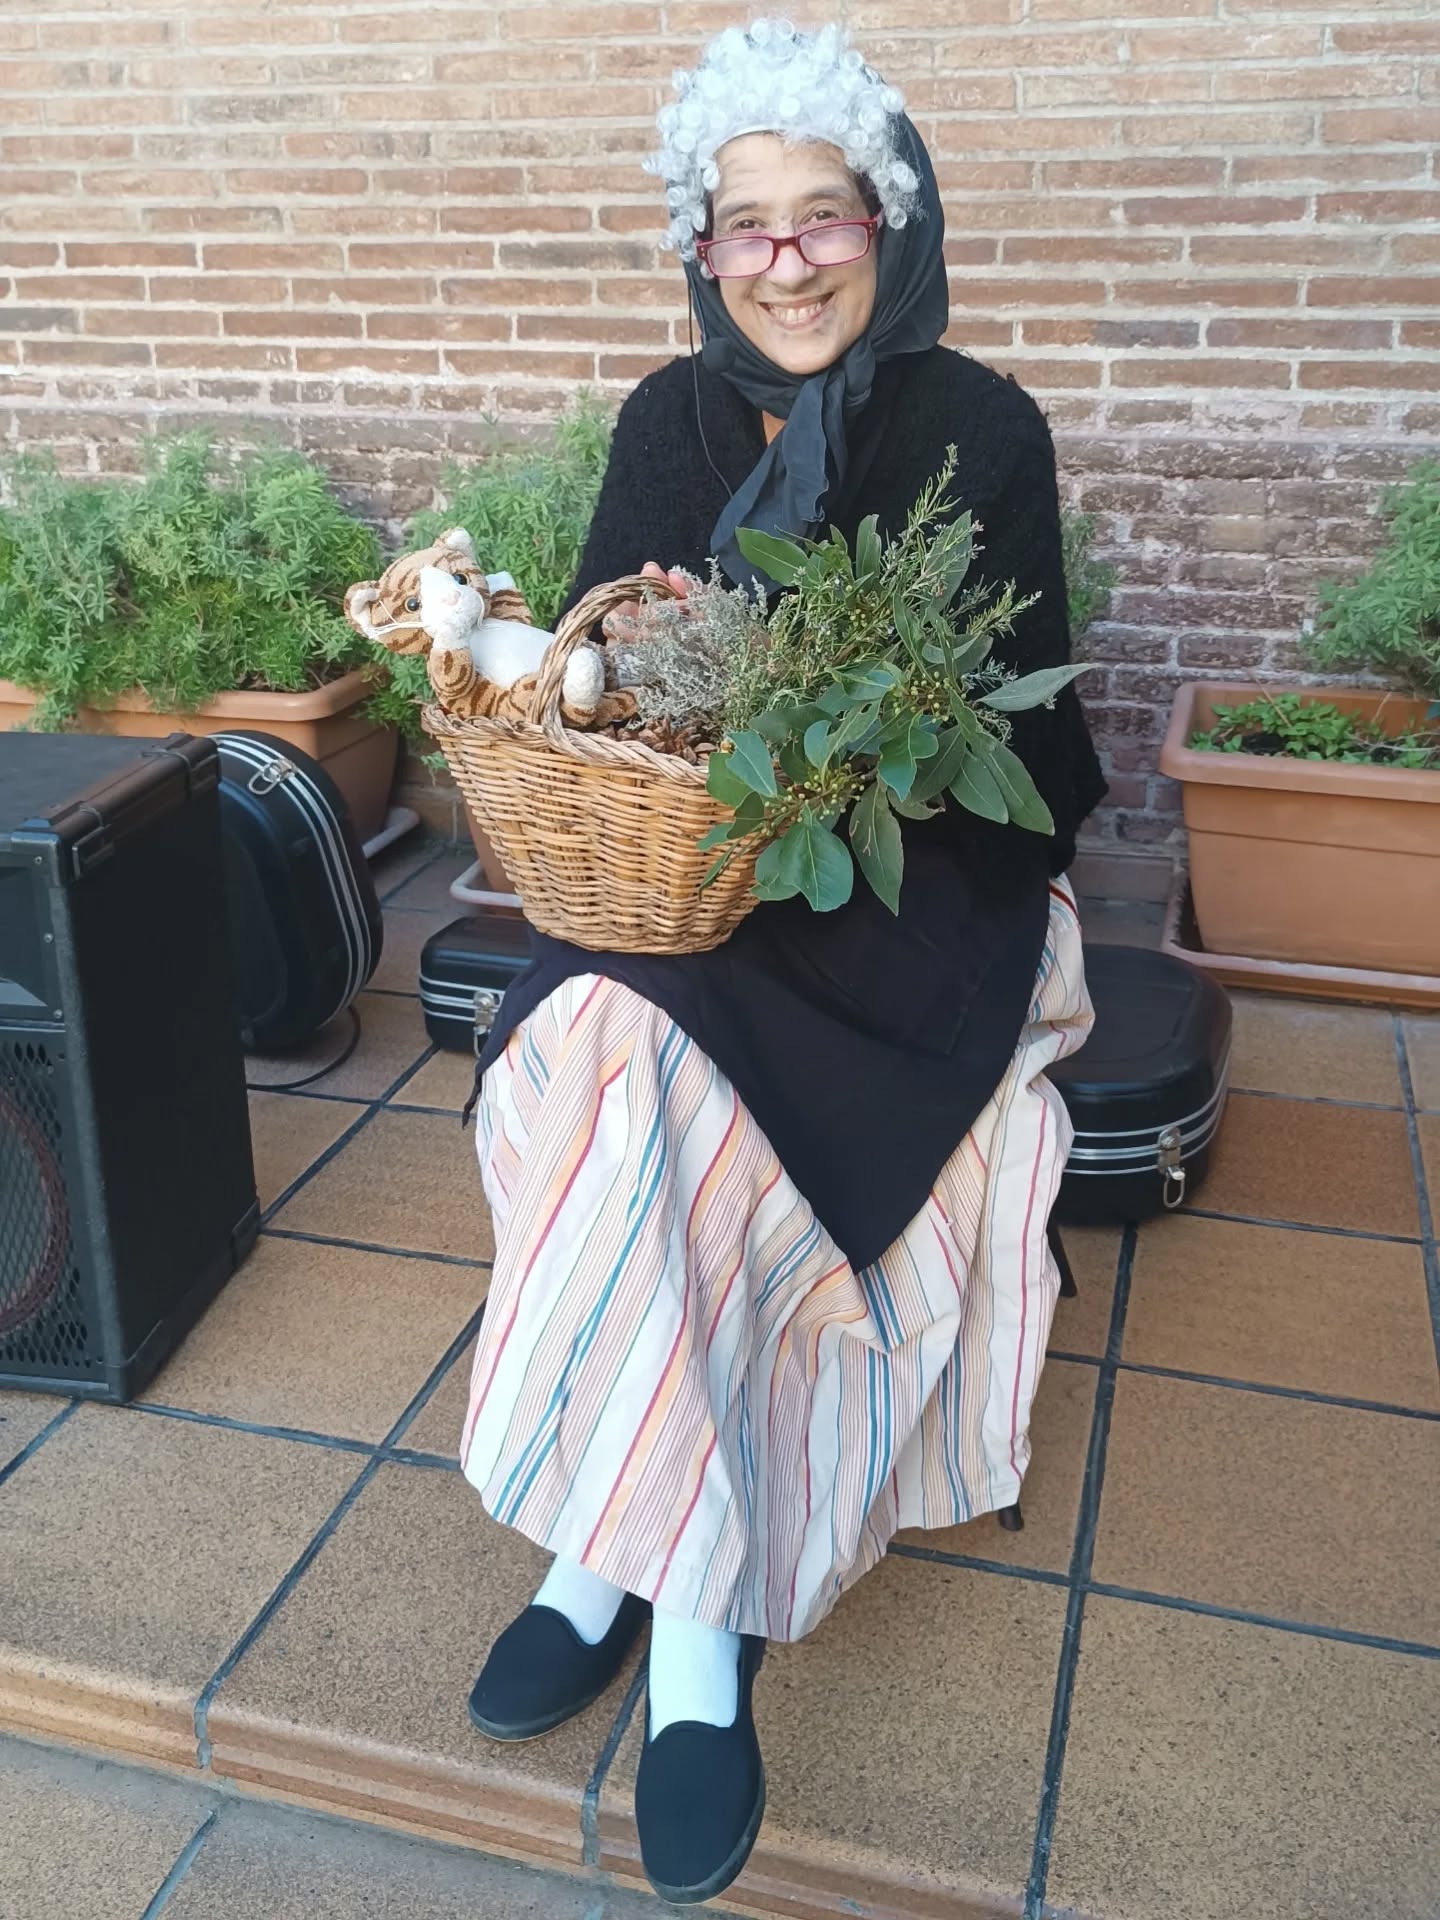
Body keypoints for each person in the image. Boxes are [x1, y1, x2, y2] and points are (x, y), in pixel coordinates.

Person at [458, 18, 1106, 1907]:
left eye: (826, 216)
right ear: (705, 251)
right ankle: (614, 1534)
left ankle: (677, 1633)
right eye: (748, 227)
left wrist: (863, 701)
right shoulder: (669, 419)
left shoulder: (979, 426)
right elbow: (605, 721)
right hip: (699, 892)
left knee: (647, 1068)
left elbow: (1026, 768)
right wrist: (667, 656)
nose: (791, 259)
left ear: (890, 231)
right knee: (584, 1033)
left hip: (916, 896)